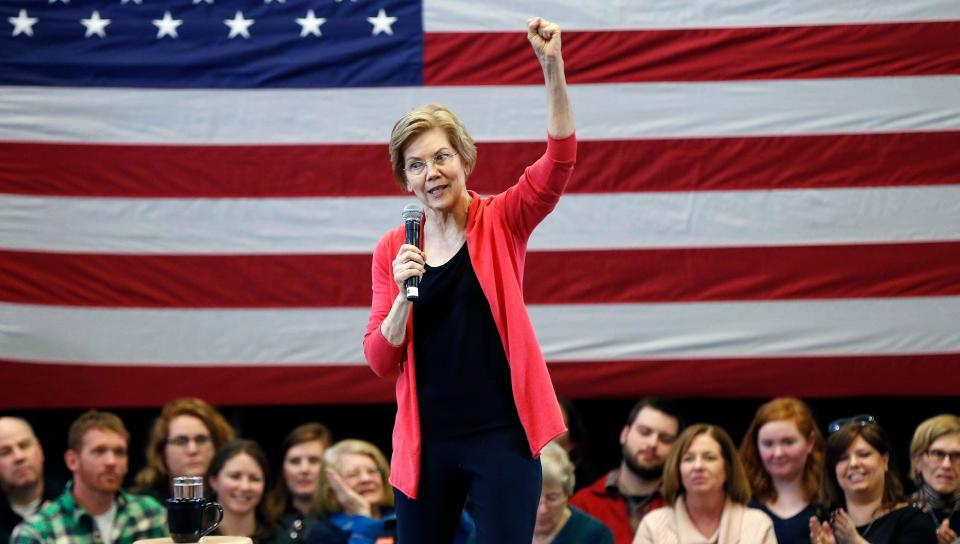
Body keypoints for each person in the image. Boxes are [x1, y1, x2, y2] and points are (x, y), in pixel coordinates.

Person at [362, 15, 575, 543]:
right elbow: (378, 359)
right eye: (416, 165)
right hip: (426, 441)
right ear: (405, 180)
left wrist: (553, 68)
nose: (431, 172)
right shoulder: (393, 247)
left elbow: (560, 161)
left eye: (441, 157)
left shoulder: (502, 219)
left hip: (500, 434)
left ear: (463, 160)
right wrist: (401, 302)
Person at [10, 410, 167, 544]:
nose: (111, 462)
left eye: (119, 452)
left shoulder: (151, 513)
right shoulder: (38, 532)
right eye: (99, 451)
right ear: (72, 461)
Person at [634, 424, 776, 544]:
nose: (698, 466)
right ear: (678, 470)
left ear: (728, 469)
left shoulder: (757, 524)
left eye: (709, 458)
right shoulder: (653, 526)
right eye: (689, 459)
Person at [571, 397, 683, 543]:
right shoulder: (582, 504)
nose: (653, 443)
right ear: (624, 434)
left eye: (665, 439)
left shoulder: (684, 504)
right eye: (644, 432)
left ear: (677, 449)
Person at [809, 415, 936, 544]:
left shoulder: (913, 520)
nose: (853, 463)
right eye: (843, 458)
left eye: (863, 454)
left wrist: (855, 541)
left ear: (885, 460)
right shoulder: (823, 526)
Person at [740, 397, 825, 544]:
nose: (778, 453)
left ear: (810, 442)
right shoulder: (741, 503)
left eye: (788, 442)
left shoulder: (831, 504)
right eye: (768, 444)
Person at [133, 397, 236, 502]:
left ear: (217, 444)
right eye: (181, 441)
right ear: (162, 451)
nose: (192, 450)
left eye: (201, 440)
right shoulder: (142, 504)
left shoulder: (234, 499)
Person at [266, 422, 335, 543]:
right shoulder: (266, 521)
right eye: (295, 461)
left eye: (313, 460)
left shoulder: (345, 522)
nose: (304, 469)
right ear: (283, 468)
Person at [0, 417, 64, 544]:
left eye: (24, 446)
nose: (19, 457)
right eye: (5, 452)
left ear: (40, 450)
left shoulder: (69, 501)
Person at [534, 441, 613, 543]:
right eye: (535, 499)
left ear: (567, 493)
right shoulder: (509, 525)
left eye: (552, 498)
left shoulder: (596, 536)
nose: (543, 510)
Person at [207, 439, 277, 542]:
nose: (245, 487)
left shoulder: (283, 539)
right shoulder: (191, 537)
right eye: (235, 476)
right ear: (214, 481)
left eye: (254, 479)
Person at [909, 414, 960, 544]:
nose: (947, 465)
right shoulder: (897, 512)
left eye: (957, 455)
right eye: (938, 454)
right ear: (918, 460)